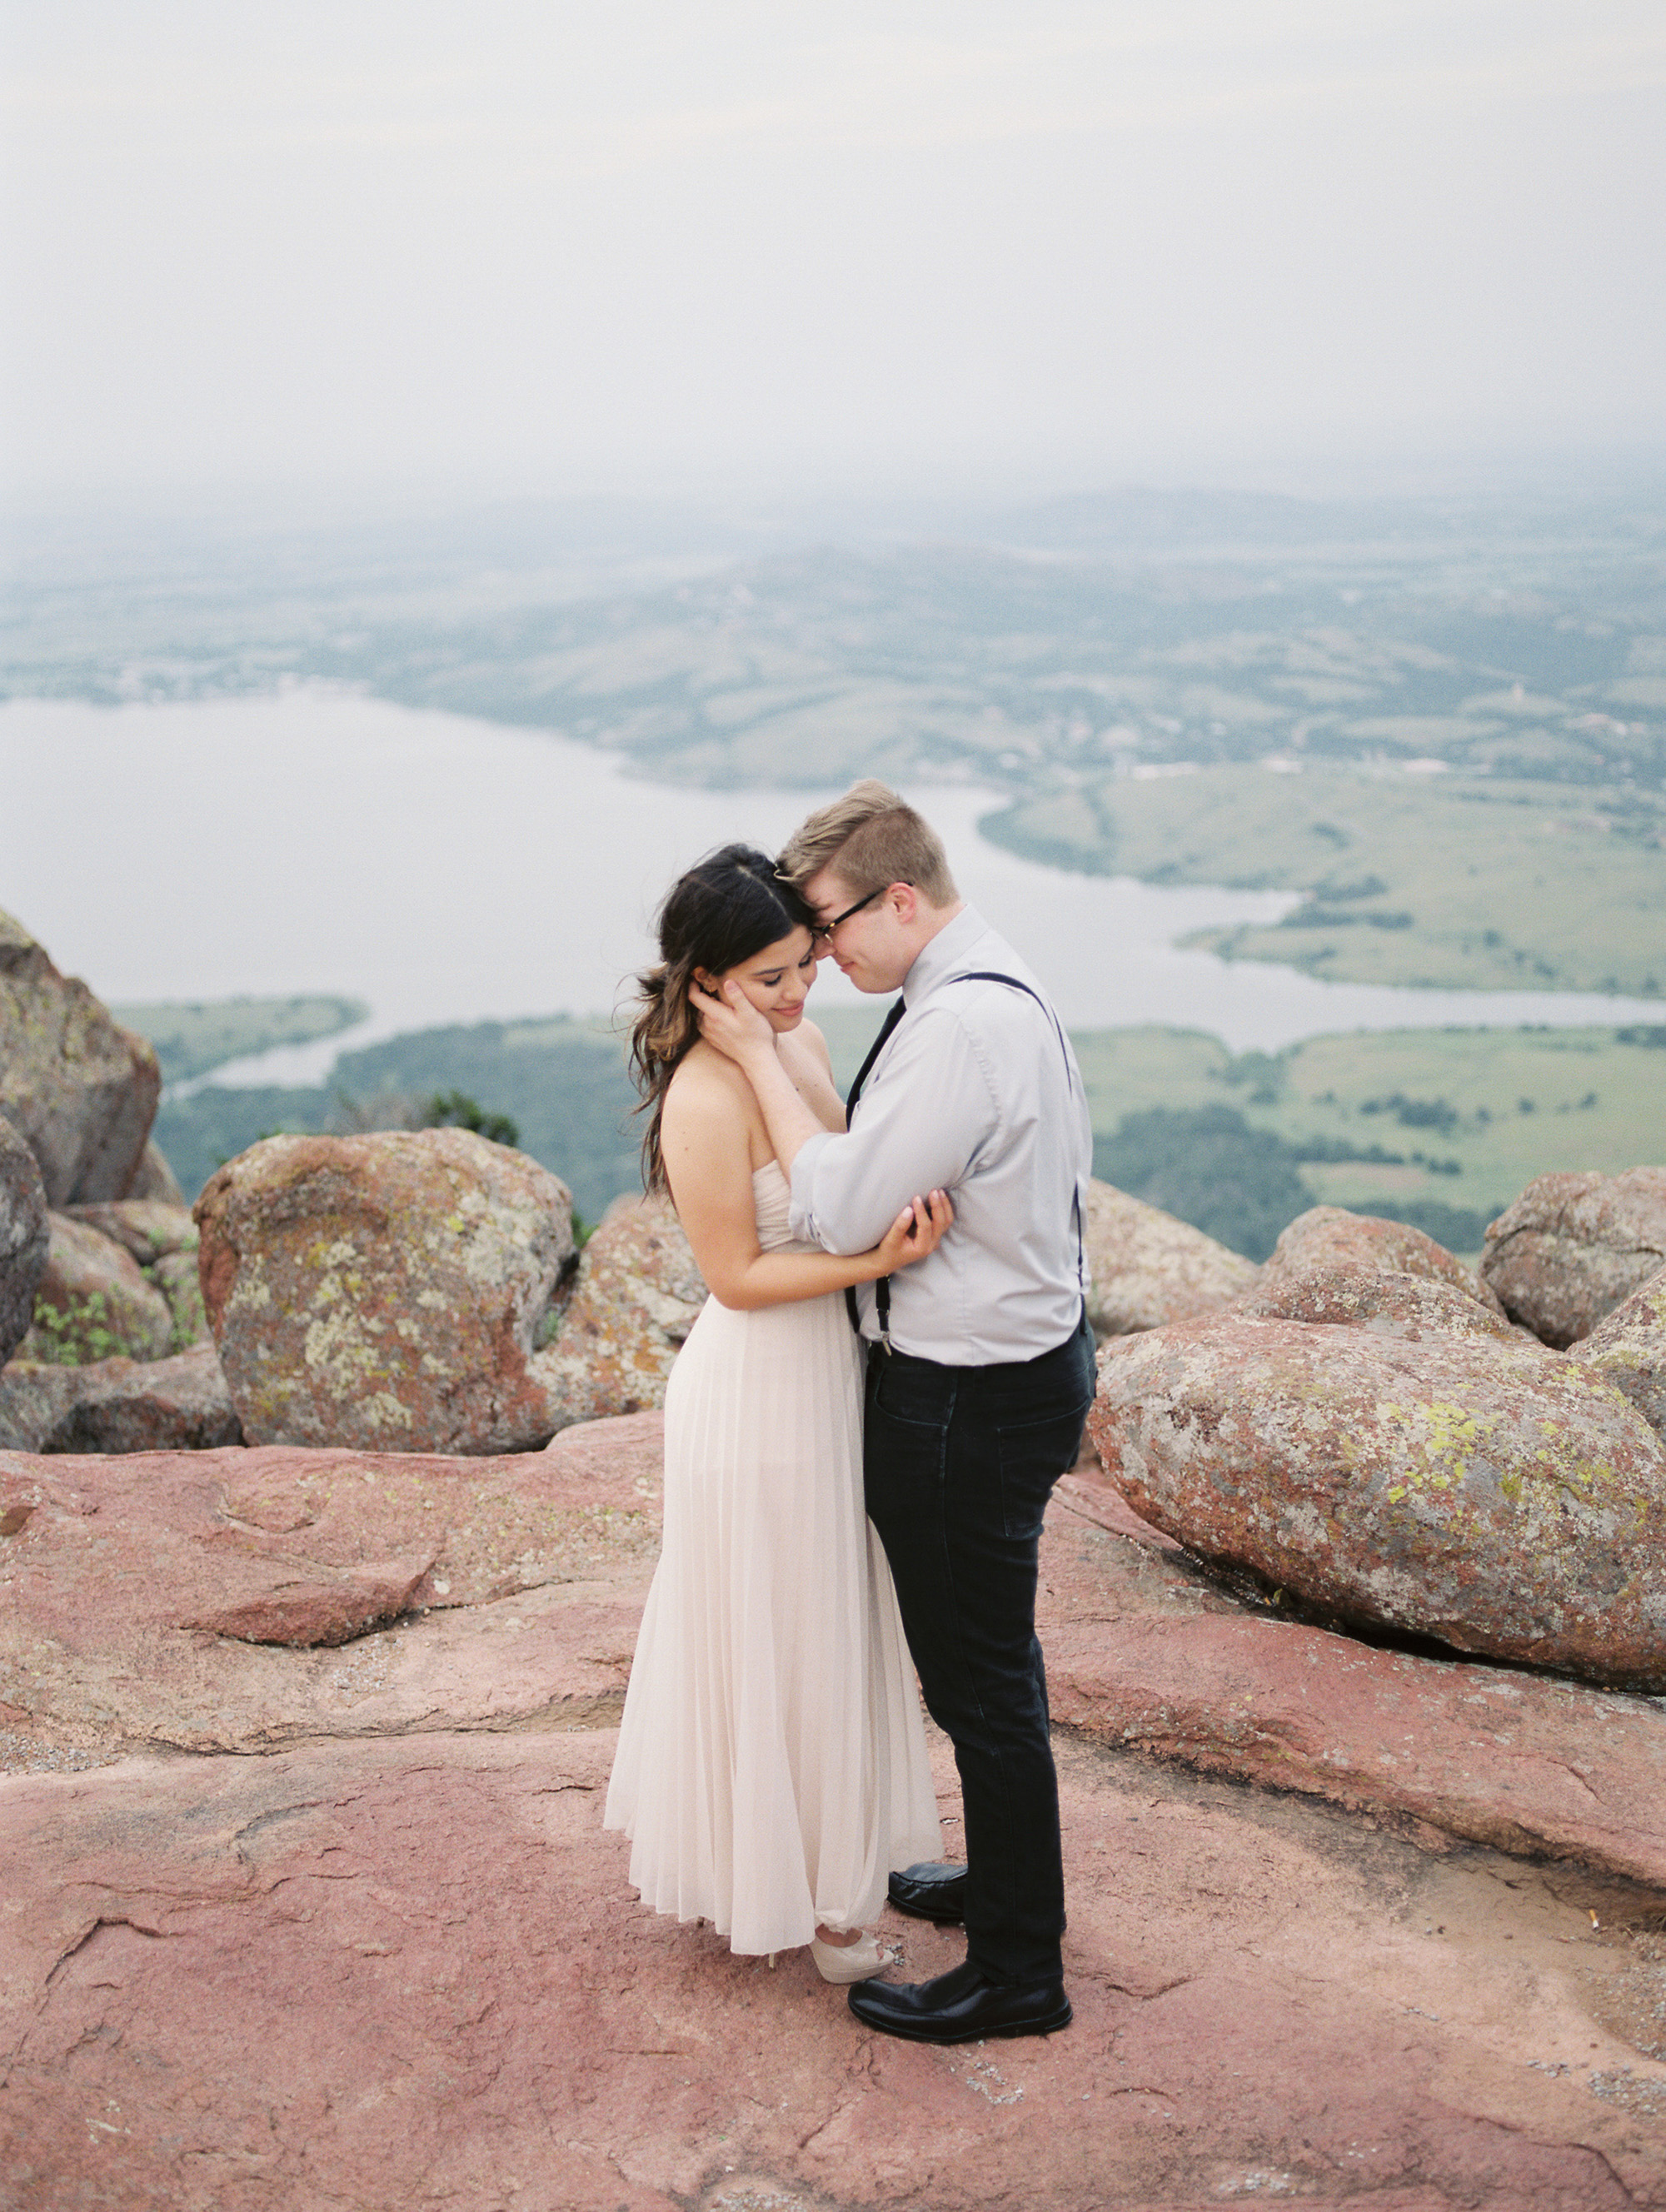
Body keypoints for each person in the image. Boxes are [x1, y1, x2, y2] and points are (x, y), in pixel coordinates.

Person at [694, 783, 1096, 2045]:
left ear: (900, 899)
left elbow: (838, 1211)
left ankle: (1022, 1973)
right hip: (1011, 1369)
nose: (820, 955)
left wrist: (757, 1053)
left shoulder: (960, 1029)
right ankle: (1004, 1888)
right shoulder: (978, 989)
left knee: (980, 1683)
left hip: (971, 1394)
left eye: (827, 926)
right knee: (993, 1666)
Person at [603, 843, 951, 1984]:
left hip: (830, 1378)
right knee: (781, 1621)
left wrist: (770, 1044)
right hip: (756, 1391)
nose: (800, 992)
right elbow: (738, 1276)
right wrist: (873, 1261)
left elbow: (838, 1166)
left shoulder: (795, 1039)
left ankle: (824, 1871)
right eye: (768, 978)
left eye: (802, 963)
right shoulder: (701, 1098)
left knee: (833, 1615)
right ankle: (819, 1908)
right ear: (703, 979)